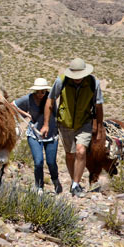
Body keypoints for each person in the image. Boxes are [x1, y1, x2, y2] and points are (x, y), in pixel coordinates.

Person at [46, 57, 103, 197]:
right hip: (65, 123)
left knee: (81, 151)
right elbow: (50, 100)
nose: (77, 78)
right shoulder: (61, 81)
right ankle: (74, 181)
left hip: (84, 122)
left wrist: (100, 128)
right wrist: (46, 124)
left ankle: (76, 185)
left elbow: (99, 106)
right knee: (70, 154)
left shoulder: (93, 83)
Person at [13, 77, 61, 194]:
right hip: (34, 133)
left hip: (51, 135)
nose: (40, 94)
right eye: (38, 91)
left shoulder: (51, 99)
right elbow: (12, 105)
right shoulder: (28, 99)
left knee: (51, 162)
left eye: (43, 91)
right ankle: (39, 186)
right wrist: (26, 114)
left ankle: (55, 180)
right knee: (38, 161)